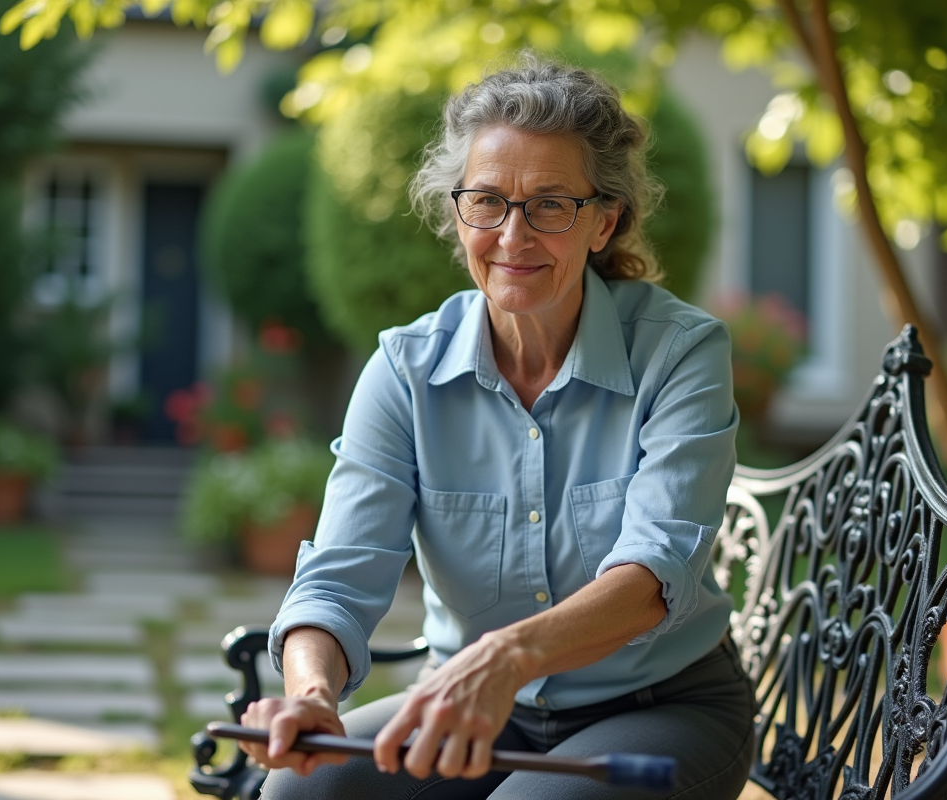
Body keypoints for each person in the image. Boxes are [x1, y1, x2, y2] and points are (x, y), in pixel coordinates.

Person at [241, 55, 754, 800]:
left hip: (663, 708)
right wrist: (313, 694)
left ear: (604, 220)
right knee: (298, 792)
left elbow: (653, 574)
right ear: (459, 214)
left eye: (550, 205)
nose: (513, 236)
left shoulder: (680, 353)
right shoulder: (404, 371)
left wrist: (508, 656)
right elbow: (338, 580)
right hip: (476, 710)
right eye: (487, 201)